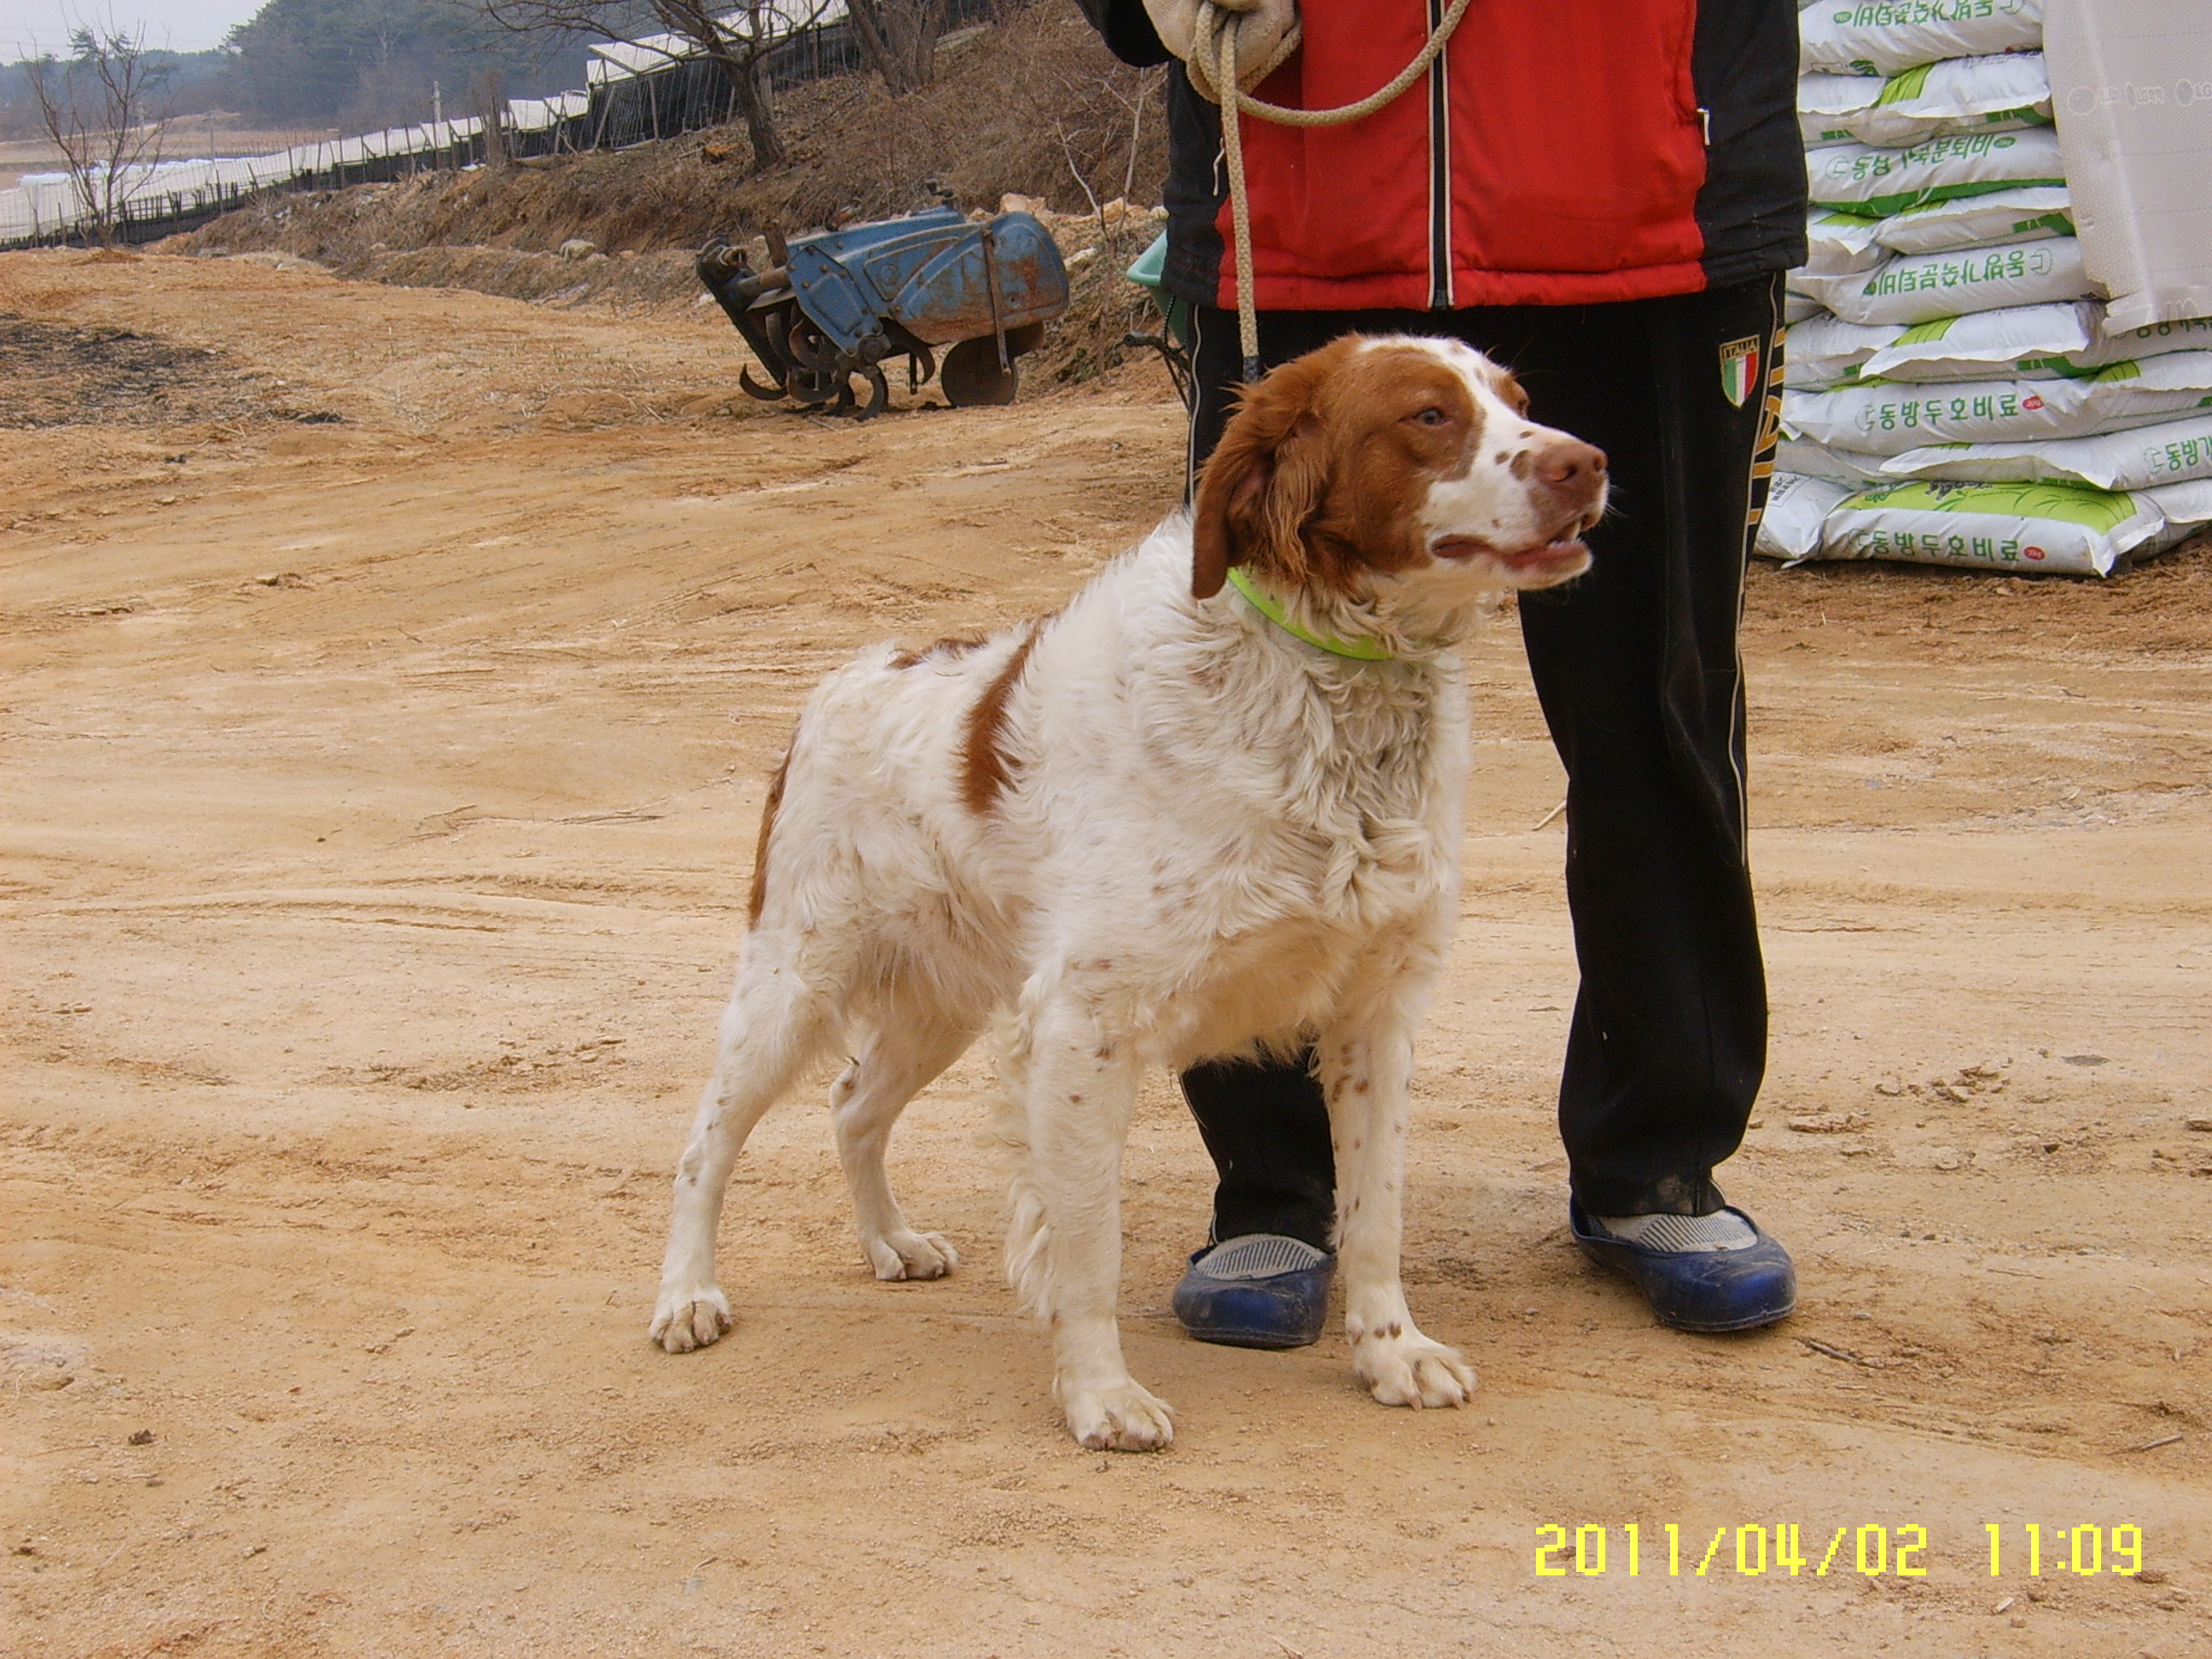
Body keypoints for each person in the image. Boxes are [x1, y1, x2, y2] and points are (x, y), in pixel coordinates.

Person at [1074, 0, 1807, 1340]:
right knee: (1238, 729)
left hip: (1646, 197)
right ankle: (1274, 1189)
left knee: (1658, 709)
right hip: (1304, 191)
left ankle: (1657, 1160)